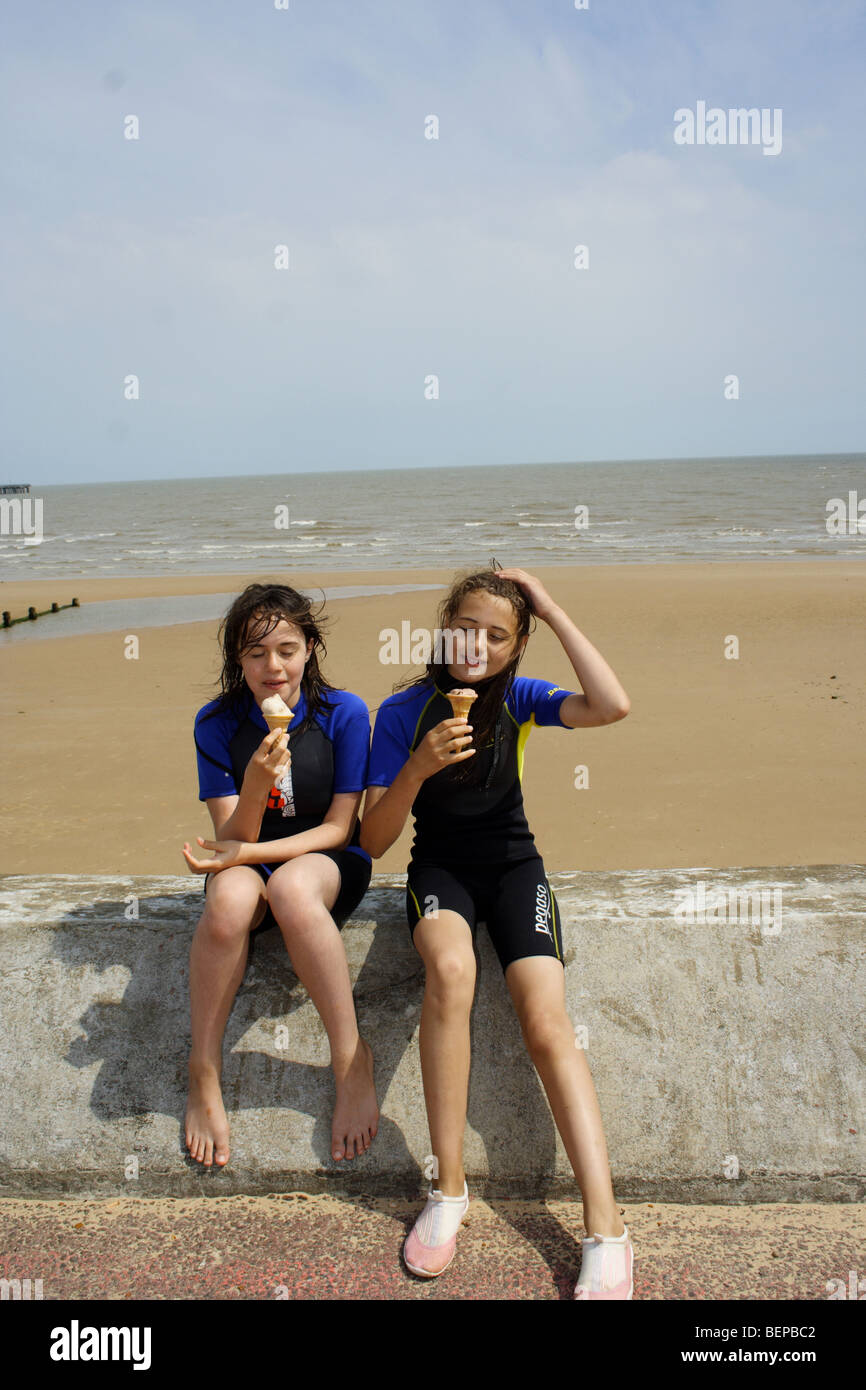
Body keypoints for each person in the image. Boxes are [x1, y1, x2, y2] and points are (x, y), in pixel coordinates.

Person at [360, 565, 634, 1299]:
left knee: (546, 1022)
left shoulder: (519, 698)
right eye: (465, 628)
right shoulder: (403, 712)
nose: (475, 645)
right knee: (450, 972)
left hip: (517, 871)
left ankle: (605, 1228)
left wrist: (549, 604)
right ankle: (448, 1191)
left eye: (497, 635)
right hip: (439, 872)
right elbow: (376, 840)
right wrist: (417, 769)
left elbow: (611, 706)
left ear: (517, 647)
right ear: (441, 626)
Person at [182, 582, 377, 1169]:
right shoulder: (216, 723)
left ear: (310, 648)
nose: (273, 667)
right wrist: (256, 786)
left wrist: (245, 858)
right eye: (255, 653)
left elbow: (342, 828)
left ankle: (351, 1060)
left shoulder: (342, 713)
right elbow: (232, 834)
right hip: (246, 855)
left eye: (287, 649)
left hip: (324, 864)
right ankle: (204, 1070)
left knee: (290, 887)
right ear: (236, 660)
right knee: (229, 904)